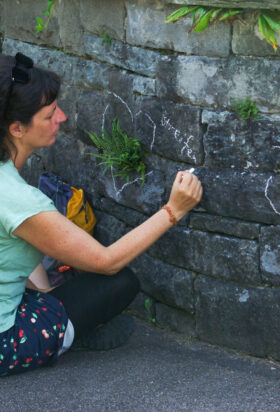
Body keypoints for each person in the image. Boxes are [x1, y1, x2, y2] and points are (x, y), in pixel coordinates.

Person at [0, 52, 202, 376]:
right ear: (17, 128)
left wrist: (48, 294)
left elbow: (15, 244)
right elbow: (106, 262)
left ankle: (55, 312)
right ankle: (64, 337)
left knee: (60, 285)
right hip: (3, 340)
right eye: (50, 114)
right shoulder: (20, 200)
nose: (62, 118)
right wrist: (173, 210)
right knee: (118, 283)